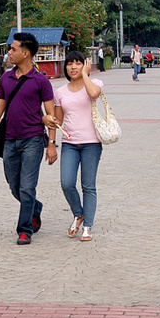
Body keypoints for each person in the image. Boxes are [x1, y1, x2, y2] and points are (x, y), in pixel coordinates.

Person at [0, 32, 58, 245]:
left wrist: (51, 144)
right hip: (10, 140)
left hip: (34, 140)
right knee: (14, 186)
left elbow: (51, 116)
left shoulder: (41, 81)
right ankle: (35, 208)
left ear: (25, 53)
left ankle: (24, 229)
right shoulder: (6, 78)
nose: (9, 52)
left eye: (13, 49)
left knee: (27, 187)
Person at [52, 51, 104, 242]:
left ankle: (88, 226)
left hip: (92, 143)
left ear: (85, 65)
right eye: (70, 64)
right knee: (66, 183)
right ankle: (78, 213)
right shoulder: (60, 92)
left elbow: (93, 94)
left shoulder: (95, 84)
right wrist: (47, 119)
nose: (73, 67)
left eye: (78, 63)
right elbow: (58, 119)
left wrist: (85, 75)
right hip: (70, 144)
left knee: (88, 186)